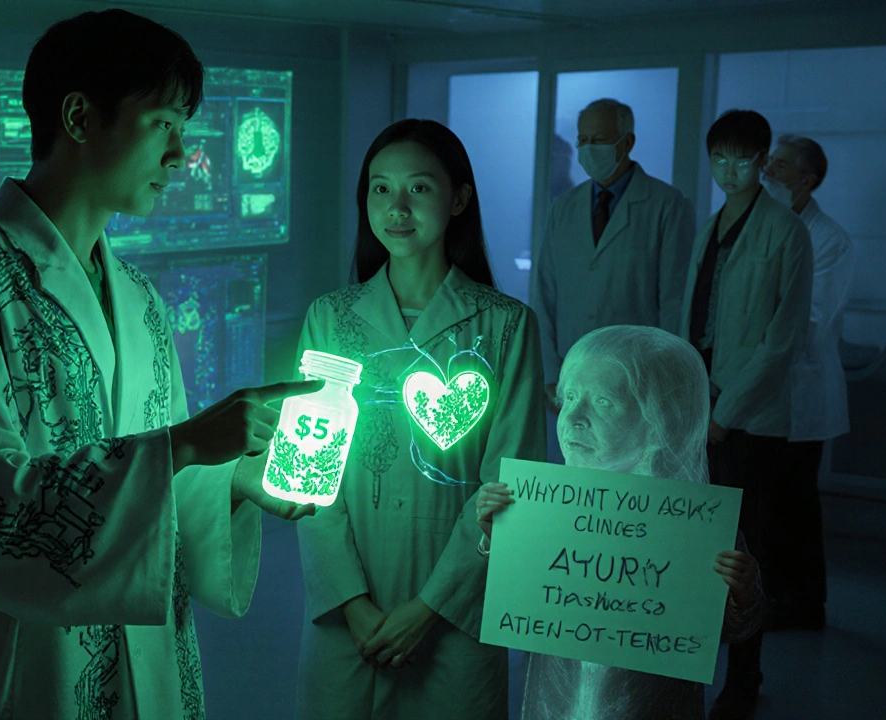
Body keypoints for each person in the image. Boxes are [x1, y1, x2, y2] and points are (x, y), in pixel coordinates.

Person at [0, 10, 322, 719]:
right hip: (21, 671)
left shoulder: (139, 299)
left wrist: (235, 481)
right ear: (80, 116)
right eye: (164, 124)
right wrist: (186, 445)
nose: (183, 153)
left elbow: (165, 468)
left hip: (148, 666)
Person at [292, 118, 548, 720]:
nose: (396, 208)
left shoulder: (507, 325)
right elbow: (306, 471)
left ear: (459, 198)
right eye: (380, 189)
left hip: (454, 617)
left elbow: (510, 486)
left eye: (419, 189)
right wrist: (352, 603)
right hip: (346, 617)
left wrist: (430, 608)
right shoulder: (331, 318)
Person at [476, 325, 763, 720]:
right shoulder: (548, 506)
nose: (573, 417)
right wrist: (499, 536)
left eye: (604, 403)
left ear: (661, 420)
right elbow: (521, 593)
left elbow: (728, 630)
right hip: (552, 702)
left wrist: (742, 595)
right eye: (570, 397)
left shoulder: (696, 525)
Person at [682, 109, 813, 720]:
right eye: (720, 158)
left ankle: (744, 678)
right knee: (698, 545)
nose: (730, 170)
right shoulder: (710, 227)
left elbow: (780, 343)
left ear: (763, 161)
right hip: (700, 411)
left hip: (750, 423)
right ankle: (689, 660)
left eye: (743, 158)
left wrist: (726, 413)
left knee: (745, 553)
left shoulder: (786, 232)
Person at [533, 98, 696, 415]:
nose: (589, 148)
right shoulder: (564, 209)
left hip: (637, 379)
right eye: (583, 140)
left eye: (600, 140)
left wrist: (660, 381)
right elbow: (544, 296)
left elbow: (675, 304)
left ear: (628, 142)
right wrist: (551, 374)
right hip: (572, 375)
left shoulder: (667, 205)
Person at [760, 134, 853, 632]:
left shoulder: (830, 240)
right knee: (770, 502)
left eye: (779, 166)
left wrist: (761, 334)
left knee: (795, 501)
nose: (766, 173)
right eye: (768, 163)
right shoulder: (766, 225)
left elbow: (811, 322)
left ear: (807, 179)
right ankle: (772, 598)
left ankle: (804, 605)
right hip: (766, 390)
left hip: (803, 394)